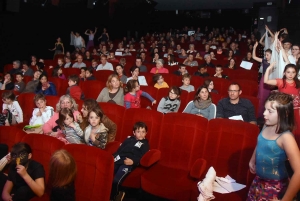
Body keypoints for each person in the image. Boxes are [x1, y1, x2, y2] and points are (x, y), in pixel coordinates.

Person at [247, 92, 300, 201]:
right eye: (265, 109)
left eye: (270, 111)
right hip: (259, 181)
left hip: (275, 188)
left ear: (284, 113)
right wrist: (252, 160)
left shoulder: (286, 137)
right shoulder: (266, 125)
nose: (264, 114)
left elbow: (299, 172)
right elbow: (261, 143)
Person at [111, 121, 149, 201]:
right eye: (138, 131)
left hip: (128, 162)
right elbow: (120, 150)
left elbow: (144, 157)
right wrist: (113, 157)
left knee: (116, 180)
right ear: (134, 132)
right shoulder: (128, 139)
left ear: (146, 133)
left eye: (143, 132)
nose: (141, 134)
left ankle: (115, 195)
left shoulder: (145, 144)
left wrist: (134, 162)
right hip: (119, 159)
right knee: (107, 173)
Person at [253, 41, 272, 118]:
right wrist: (254, 48)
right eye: (265, 55)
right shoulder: (264, 61)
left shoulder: (275, 63)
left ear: (271, 55)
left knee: (268, 96)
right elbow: (254, 57)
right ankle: (260, 114)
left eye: (267, 55)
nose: (266, 56)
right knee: (261, 95)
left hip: (270, 80)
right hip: (263, 79)